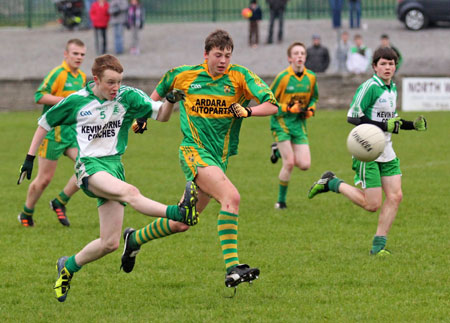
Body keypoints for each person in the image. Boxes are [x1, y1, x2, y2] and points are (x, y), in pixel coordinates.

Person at [17, 54, 199, 302]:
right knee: (131, 192)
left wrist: (170, 101)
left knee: (110, 243)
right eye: (111, 82)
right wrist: (29, 158)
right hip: (89, 167)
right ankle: (178, 213)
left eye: (119, 82)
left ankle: (68, 266)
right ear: (96, 80)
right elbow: (45, 123)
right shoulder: (77, 101)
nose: (116, 88)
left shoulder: (128, 97)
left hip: (114, 167)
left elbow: (162, 115)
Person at [127, 29, 279, 288]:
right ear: (206, 54)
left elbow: (272, 104)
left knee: (182, 222)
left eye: (227, 56)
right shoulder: (183, 75)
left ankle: (134, 239)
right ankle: (233, 267)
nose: (223, 60)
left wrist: (248, 110)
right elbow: (151, 98)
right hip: (193, 151)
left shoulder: (240, 77)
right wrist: (142, 118)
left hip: (218, 158)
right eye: (218, 55)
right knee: (232, 198)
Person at [308, 47, 427, 256]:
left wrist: (411, 126)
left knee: (395, 196)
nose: (388, 67)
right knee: (372, 204)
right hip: (367, 150)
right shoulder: (370, 87)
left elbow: (392, 122)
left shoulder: (392, 89)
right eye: (383, 64)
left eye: (391, 64)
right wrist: (383, 126)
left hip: (387, 149)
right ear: (374, 66)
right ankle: (332, 182)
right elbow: (353, 117)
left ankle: (378, 247)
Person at [17, 39, 87, 228]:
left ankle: (60, 201)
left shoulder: (81, 76)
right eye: (75, 53)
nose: (79, 57)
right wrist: (64, 100)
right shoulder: (58, 74)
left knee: (88, 166)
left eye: (82, 54)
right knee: (44, 179)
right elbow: (39, 96)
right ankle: (26, 213)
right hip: (52, 134)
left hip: (71, 133)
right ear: (66, 54)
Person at [269, 42, 318, 209]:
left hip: (299, 123)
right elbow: (268, 100)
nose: (299, 56)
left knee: (304, 165)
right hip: (281, 122)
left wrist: (311, 108)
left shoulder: (311, 77)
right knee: (289, 163)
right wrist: (287, 108)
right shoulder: (283, 78)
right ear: (290, 58)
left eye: (302, 53)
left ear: (305, 57)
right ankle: (280, 201)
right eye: (296, 53)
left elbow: (314, 98)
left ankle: (277, 150)